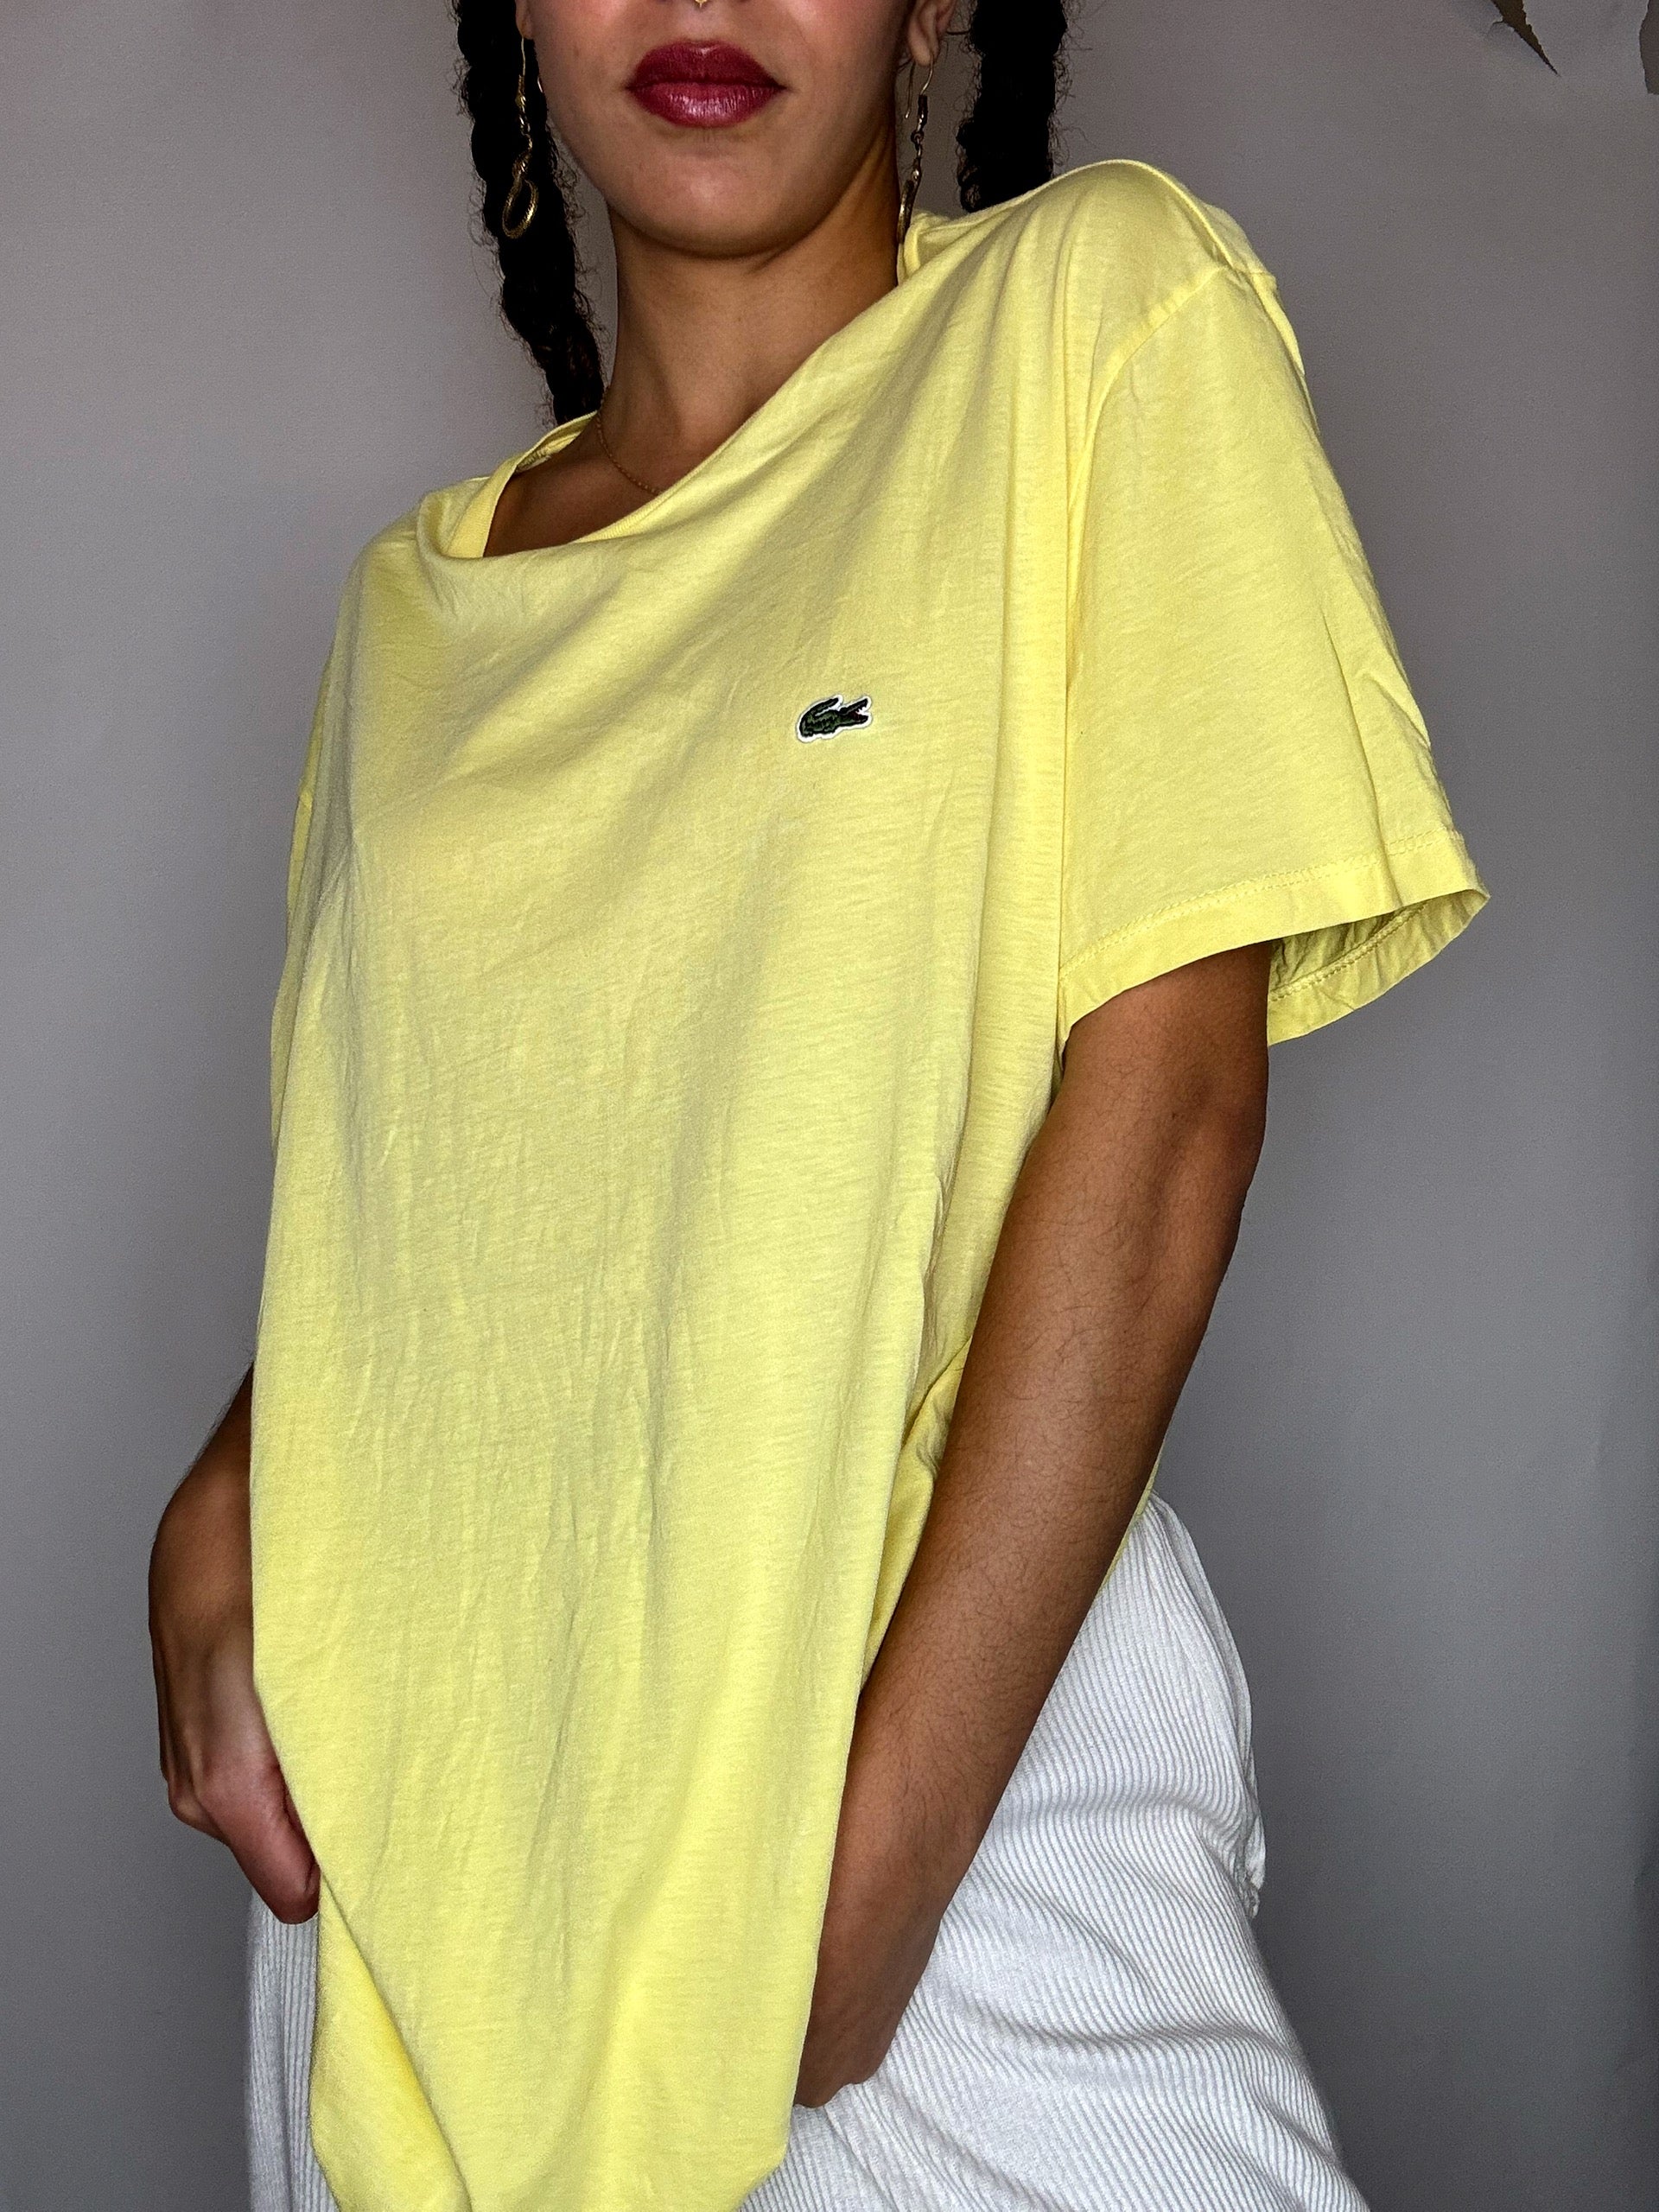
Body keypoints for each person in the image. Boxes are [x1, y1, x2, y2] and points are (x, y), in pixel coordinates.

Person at [147, 2, 1486, 2207]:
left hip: (912, 1788)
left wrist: (879, 1867)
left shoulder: (1093, 317)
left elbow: (1165, 1118)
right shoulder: (411, 611)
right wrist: (227, 1484)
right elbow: (440, 1211)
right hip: (418, 1834)